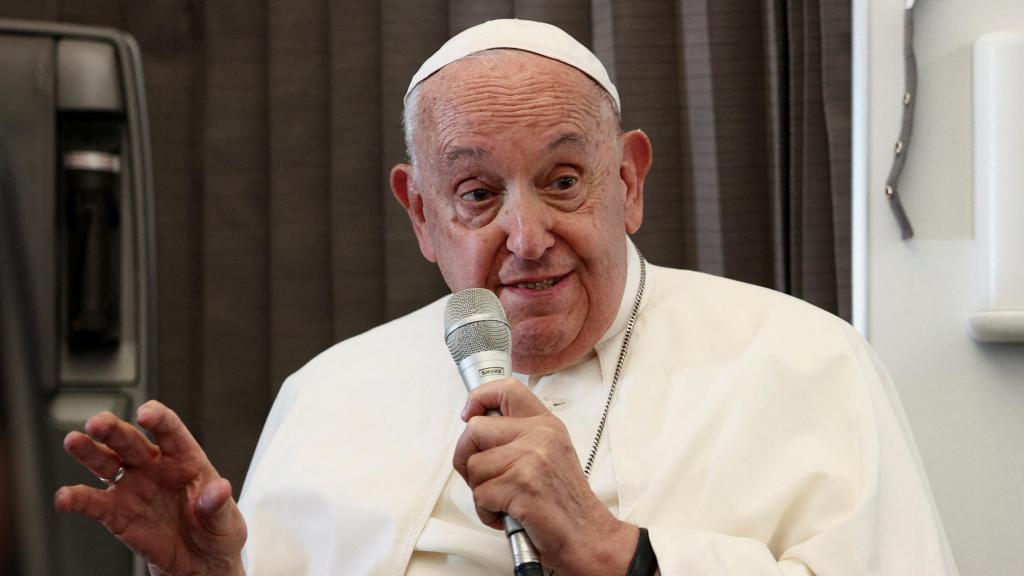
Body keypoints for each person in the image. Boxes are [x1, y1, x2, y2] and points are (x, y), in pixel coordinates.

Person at [55, 19, 958, 576]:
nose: (525, 239)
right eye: (478, 195)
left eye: (564, 181)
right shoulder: (327, 392)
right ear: (420, 211)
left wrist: (615, 550)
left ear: (630, 181)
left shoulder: (808, 361)